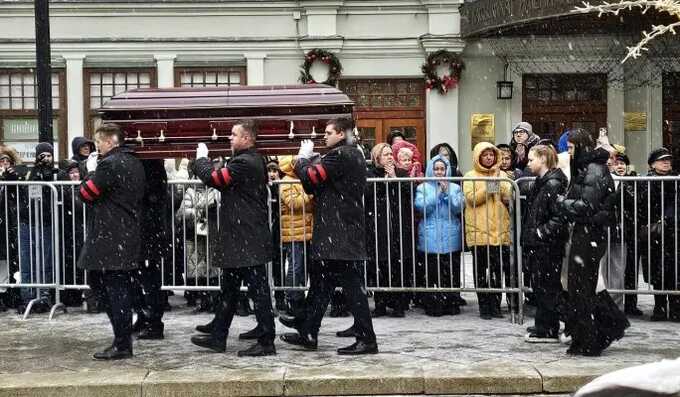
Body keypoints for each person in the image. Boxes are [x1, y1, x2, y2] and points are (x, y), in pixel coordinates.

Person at [279, 117, 378, 355]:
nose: (324, 136)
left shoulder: (340, 154)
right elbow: (315, 184)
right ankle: (308, 330)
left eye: (329, 132)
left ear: (341, 134)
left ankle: (367, 338)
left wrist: (302, 159)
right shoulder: (348, 154)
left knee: (353, 288)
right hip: (338, 231)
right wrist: (308, 169)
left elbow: (311, 178)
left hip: (339, 232)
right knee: (321, 286)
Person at [189, 120, 276, 357]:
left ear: (247, 139)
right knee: (229, 289)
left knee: (258, 292)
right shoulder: (249, 159)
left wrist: (201, 160)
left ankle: (267, 341)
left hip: (247, 237)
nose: (229, 138)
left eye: (234, 134)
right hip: (243, 237)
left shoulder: (245, 162)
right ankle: (219, 334)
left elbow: (215, 180)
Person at [77, 124, 146, 360]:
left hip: (109, 234)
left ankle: (122, 342)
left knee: (111, 290)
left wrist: (90, 171)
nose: (98, 148)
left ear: (109, 142)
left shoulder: (109, 164)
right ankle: (123, 337)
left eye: (99, 144)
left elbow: (86, 194)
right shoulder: (135, 162)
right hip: (125, 233)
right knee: (117, 288)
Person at [559, 128, 629, 356]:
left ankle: (593, 335)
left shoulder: (594, 170)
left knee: (583, 287)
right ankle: (585, 335)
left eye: (571, 148)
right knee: (579, 287)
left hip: (590, 234)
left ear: (580, 147)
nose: (568, 153)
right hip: (586, 232)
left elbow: (587, 205)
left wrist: (562, 205)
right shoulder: (586, 168)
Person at [522, 145, 568, 342]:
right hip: (540, 242)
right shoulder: (543, 182)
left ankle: (549, 327)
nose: (528, 163)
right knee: (541, 285)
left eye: (532, 159)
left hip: (547, 244)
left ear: (542, 159)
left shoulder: (553, 184)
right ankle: (545, 324)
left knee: (547, 286)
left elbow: (558, 217)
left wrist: (541, 232)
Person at [463, 142, 513, 319]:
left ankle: (496, 306)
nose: (489, 158)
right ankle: (484, 306)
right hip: (479, 231)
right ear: (478, 157)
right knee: (481, 271)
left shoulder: (503, 174)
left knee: (497, 272)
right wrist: (492, 183)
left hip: (499, 231)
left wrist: (500, 180)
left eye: (492, 154)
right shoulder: (470, 176)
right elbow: (472, 199)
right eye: (485, 155)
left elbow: (508, 197)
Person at [415, 155, 464, 316]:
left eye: (442, 169)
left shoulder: (455, 188)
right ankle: (433, 304)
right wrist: (437, 194)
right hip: (430, 236)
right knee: (432, 273)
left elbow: (458, 208)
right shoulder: (423, 187)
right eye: (436, 169)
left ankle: (451, 303)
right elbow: (421, 207)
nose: (439, 172)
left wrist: (446, 194)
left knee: (451, 272)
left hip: (450, 235)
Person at [365, 143, 411, 318]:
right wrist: (384, 182)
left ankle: (398, 305)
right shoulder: (370, 174)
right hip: (378, 228)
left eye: (391, 154)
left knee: (397, 267)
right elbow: (367, 194)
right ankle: (380, 304)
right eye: (385, 155)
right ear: (377, 158)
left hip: (397, 227)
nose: (390, 157)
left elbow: (409, 193)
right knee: (379, 267)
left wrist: (394, 178)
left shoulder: (401, 173)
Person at [17, 142, 58, 314]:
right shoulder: (29, 172)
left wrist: (47, 173)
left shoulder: (55, 173)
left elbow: (51, 192)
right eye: (43, 156)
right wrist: (37, 169)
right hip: (27, 222)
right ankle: (27, 298)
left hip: (46, 223)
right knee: (27, 263)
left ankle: (45, 298)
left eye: (49, 155)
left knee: (46, 262)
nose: (46, 159)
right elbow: (26, 191)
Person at [639, 147, 680, 322]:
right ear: (652, 164)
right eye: (662, 160)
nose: (666, 162)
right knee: (657, 270)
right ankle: (660, 306)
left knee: (676, 270)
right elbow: (642, 204)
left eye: (668, 160)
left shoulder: (676, 179)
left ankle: (676, 306)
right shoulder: (646, 181)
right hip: (655, 233)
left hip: (674, 233)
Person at [132, 159, 170, 340]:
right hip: (146, 231)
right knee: (143, 279)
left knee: (149, 280)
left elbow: (151, 196)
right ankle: (145, 317)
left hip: (147, 231)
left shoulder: (152, 168)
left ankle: (153, 322)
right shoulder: (150, 167)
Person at [278, 155, 314, 319]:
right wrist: (311, 194)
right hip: (293, 230)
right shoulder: (287, 181)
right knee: (295, 266)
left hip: (305, 229)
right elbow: (293, 203)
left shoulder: (300, 179)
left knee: (303, 267)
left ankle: (299, 297)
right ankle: (292, 298)